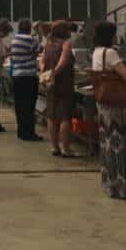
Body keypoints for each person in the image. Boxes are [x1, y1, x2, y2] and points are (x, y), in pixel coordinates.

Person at [91, 21, 126, 199]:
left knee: (106, 144)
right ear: (109, 35)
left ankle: (108, 184)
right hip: (115, 104)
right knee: (118, 145)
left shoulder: (97, 52)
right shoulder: (110, 52)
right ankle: (121, 188)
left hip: (102, 103)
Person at [39, 20, 76, 156]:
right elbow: (63, 63)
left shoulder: (48, 42)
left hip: (49, 83)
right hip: (63, 82)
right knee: (65, 116)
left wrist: (45, 74)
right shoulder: (66, 43)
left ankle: (54, 147)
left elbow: (42, 61)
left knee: (52, 115)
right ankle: (66, 149)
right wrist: (54, 74)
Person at [10, 19, 42, 142]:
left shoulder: (14, 39)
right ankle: (29, 133)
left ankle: (21, 131)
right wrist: (38, 32)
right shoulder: (31, 39)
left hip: (17, 75)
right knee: (29, 106)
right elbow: (39, 50)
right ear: (29, 28)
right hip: (28, 76)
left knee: (19, 105)